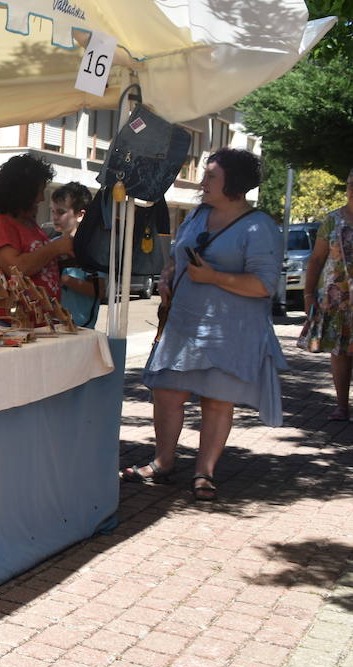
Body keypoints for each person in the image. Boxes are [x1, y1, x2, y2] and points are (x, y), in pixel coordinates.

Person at [123, 148, 286, 501]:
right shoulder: (197, 214)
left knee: (216, 400)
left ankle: (204, 473)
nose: (203, 182)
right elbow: (175, 257)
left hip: (229, 330)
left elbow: (264, 286)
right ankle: (163, 462)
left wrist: (213, 277)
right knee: (166, 391)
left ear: (235, 185)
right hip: (183, 324)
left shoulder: (259, 226)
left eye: (211, 176)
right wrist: (168, 278)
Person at [0, 154, 71, 299]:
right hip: (8, 320)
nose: (42, 198)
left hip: (40, 318)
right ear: (22, 193)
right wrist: (56, 248)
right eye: (39, 192)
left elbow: (37, 262)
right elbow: (16, 268)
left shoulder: (27, 222)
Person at [297, 168, 353, 421]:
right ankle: (342, 405)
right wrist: (308, 294)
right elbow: (317, 259)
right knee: (340, 352)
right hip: (336, 299)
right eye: (351, 183)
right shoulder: (332, 220)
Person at [50, 181, 103, 327]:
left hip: (80, 327)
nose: (54, 217)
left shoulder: (93, 249)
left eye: (61, 212)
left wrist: (65, 279)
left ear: (80, 214)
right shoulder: (51, 244)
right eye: (52, 211)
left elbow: (100, 290)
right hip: (53, 325)